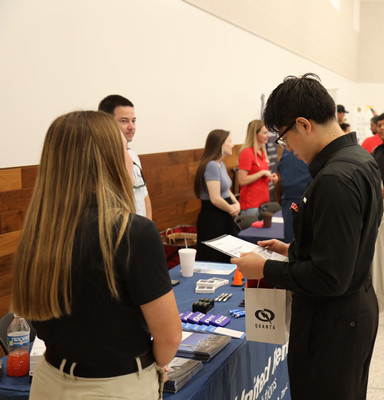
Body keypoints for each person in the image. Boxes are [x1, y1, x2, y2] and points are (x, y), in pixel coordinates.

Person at [232, 73, 383, 400]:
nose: (287, 149)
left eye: (284, 139)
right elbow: (343, 244)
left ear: (304, 124)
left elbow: (331, 277)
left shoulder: (334, 179)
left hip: (333, 321)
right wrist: (292, 250)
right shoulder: (359, 159)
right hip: (353, 312)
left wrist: (264, 269)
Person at [12, 111, 181, 399]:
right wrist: (155, 364)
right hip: (115, 387)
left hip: (48, 381)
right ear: (109, 160)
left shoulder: (38, 231)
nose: (131, 157)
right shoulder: (134, 232)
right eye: (125, 149)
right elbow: (169, 337)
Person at [99, 95, 152, 219]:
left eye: (133, 121)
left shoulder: (133, 156)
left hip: (142, 230)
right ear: (106, 123)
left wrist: (150, 228)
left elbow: (144, 196)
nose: (131, 127)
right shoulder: (100, 160)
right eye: (124, 121)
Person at [194, 129, 241, 262]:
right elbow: (215, 198)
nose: (232, 145)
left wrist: (236, 203)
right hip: (213, 218)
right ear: (220, 144)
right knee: (216, 258)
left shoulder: (220, 164)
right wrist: (231, 209)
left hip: (224, 214)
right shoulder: (211, 166)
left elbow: (226, 190)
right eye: (230, 142)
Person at [237, 120, 278, 218]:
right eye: (265, 133)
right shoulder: (247, 153)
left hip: (263, 203)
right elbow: (242, 180)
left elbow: (260, 178)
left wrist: (271, 178)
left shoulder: (262, 152)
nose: (268, 135)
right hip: (251, 205)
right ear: (255, 134)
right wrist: (262, 173)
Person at [277, 148, 312, 243]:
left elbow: (280, 167)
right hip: (306, 199)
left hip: (291, 200)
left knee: (292, 241)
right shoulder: (312, 149)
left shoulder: (287, 150)